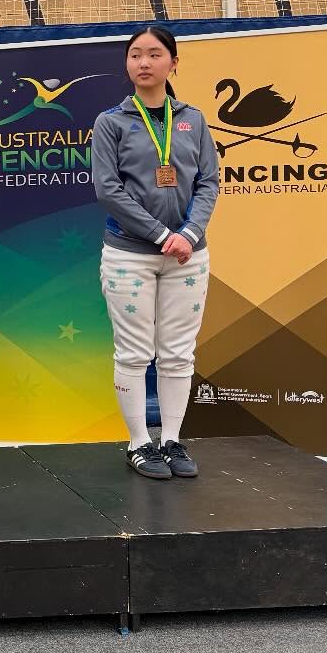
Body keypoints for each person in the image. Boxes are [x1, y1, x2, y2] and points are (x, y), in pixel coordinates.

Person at [93, 25, 220, 480]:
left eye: (153, 54)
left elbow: (209, 181)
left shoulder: (195, 119)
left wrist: (188, 233)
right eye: (134, 55)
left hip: (188, 255)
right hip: (130, 254)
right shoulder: (111, 122)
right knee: (132, 351)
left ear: (173, 63)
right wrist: (160, 234)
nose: (143, 63)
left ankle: (171, 439)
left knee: (178, 353)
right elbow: (107, 190)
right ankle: (139, 443)